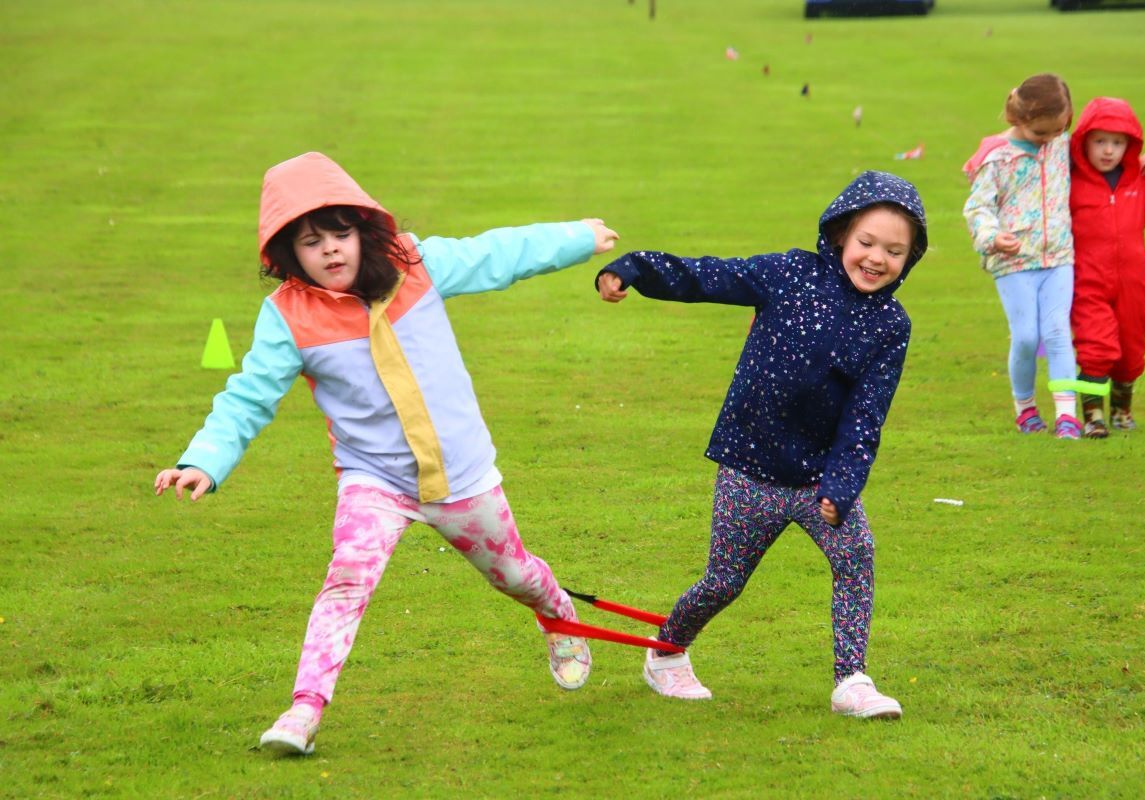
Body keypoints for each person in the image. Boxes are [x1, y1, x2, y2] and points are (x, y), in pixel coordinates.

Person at [154, 152, 619, 755]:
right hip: (373, 481)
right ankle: (303, 711)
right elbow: (246, 398)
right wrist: (204, 461)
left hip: (462, 478)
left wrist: (576, 238)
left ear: (363, 232)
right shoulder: (287, 317)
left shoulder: (414, 265)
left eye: (340, 234)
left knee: (516, 576)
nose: (329, 250)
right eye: (310, 241)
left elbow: (495, 255)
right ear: (286, 254)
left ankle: (556, 613)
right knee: (346, 580)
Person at [596, 170, 927, 719]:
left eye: (894, 251)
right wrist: (633, 268)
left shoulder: (891, 324)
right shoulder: (790, 272)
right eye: (867, 243)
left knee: (856, 556)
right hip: (749, 468)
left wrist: (842, 486)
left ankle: (852, 681)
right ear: (842, 234)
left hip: (820, 480)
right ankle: (666, 653)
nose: (876, 259)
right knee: (723, 582)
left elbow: (866, 416)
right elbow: (709, 277)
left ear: (910, 258)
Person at [963, 73, 1082, 439]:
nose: (1049, 140)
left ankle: (1067, 416)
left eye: (1057, 131)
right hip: (1013, 262)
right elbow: (977, 207)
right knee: (1027, 336)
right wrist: (991, 236)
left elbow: (1100, 148)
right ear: (1020, 119)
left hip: (1058, 256)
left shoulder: (1061, 144)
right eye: (1041, 134)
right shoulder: (997, 158)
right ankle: (1025, 408)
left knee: (1059, 331)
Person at [1068, 97, 1145, 438]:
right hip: (1089, 282)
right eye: (1100, 141)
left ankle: (1122, 408)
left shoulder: (1139, 181)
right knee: (1095, 345)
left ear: (1130, 146)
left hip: (1134, 283)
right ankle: (1093, 415)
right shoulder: (1072, 183)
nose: (1108, 151)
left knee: (1131, 351)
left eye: (1117, 143)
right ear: (1083, 142)